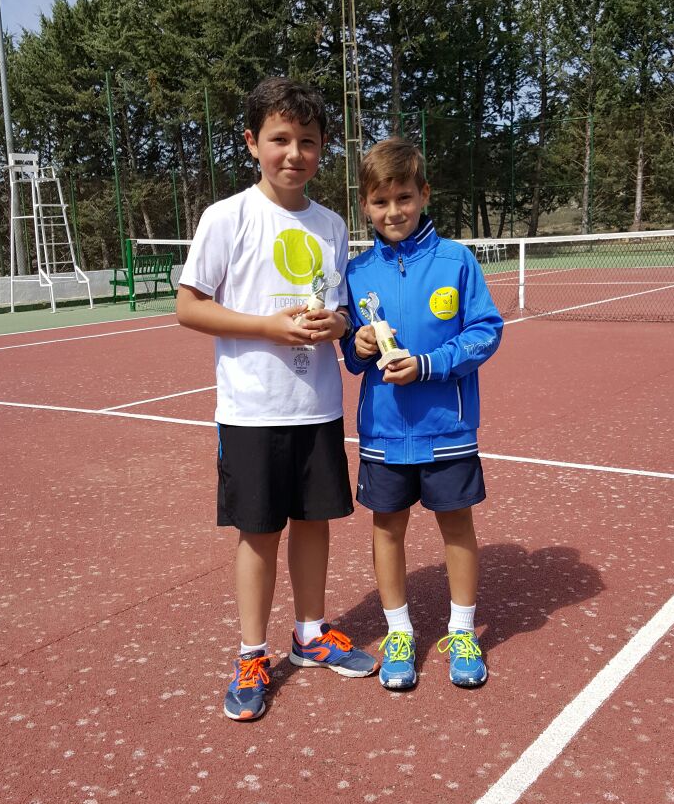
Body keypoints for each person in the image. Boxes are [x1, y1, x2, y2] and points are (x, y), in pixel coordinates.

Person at [176, 77, 376, 722]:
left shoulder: (332, 225)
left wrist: (337, 324)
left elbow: (339, 310)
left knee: (314, 522)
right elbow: (189, 307)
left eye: (308, 141)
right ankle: (251, 653)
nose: (294, 153)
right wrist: (267, 327)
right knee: (259, 531)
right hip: (252, 409)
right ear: (252, 142)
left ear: (323, 148)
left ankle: (310, 635)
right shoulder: (227, 217)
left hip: (317, 405)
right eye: (280, 139)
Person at [342, 137, 503, 691]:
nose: (394, 211)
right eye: (380, 201)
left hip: (446, 428)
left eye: (404, 197)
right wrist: (358, 345)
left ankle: (462, 630)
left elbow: (486, 332)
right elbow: (350, 355)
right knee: (387, 529)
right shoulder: (356, 272)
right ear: (365, 204)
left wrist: (430, 365)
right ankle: (399, 633)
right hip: (384, 432)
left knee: (456, 525)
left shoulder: (457, 261)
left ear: (424, 194)